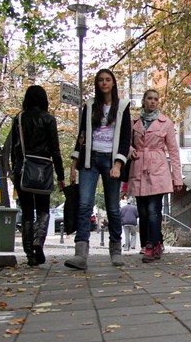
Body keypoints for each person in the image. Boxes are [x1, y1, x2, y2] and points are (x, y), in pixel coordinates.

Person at [65, 68, 132, 270]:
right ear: (97, 83)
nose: (104, 83)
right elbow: (82, 134)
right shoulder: (90, 105)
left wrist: (118, 164)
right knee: (85, 204)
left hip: (111, 161)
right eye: (101, 80)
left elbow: (126, 137)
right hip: (90, 159)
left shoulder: (122, 107)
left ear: (113, 83)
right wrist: (73, 164)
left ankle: (116, 250)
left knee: (112, 207)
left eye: (108, 80)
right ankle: (81, 254)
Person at [10, 85, 65, 267]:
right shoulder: (49, 119)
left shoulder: (18, 118)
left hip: (22, 169)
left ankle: (29, 254)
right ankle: (38, 240)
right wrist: (60, 175)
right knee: (43, 209)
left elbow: (13, 148)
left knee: (26, 212)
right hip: (42, 169)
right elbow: (55, 150)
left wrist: (14, 170)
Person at [127, 89, 184, 263]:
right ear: (143, 101)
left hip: (158, 169)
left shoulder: (165, 122)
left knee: (153, 209)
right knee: (143, 212)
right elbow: (125, 144)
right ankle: (151, 243)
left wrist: (177, 177)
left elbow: (173, 151)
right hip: (138, 168)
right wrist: (131, 151)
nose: (153, 101)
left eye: (156, 99)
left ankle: (152, 245)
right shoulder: (133, 122)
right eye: (149, 98)